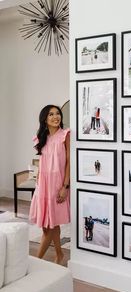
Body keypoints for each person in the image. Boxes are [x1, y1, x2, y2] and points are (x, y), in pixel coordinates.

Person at [29, 105, 70, 265]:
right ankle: (59, 255)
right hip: (43, 185)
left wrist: (65, 186)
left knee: (49, 225)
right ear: (44, 119)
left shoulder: (65, 135)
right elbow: (42, 162)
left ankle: (35, 262)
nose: (56, 117)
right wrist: (38, 183)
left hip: (57, 185)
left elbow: (69, 163)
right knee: (49, 225)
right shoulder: (41, 137)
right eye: (51, 114)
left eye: (58, 113)